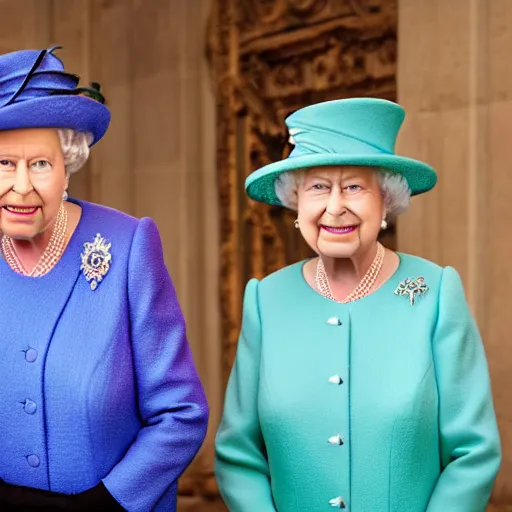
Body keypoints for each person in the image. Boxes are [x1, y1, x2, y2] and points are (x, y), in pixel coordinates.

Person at [215, 98, 501, 511]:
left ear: (386, 200)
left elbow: (473, 453)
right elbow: (237, 454)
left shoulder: (435, 293)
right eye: (317, 187)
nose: (335, 207)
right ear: (296, 203)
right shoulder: (266, 300)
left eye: (353, 187)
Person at [0, 46, 208, 511]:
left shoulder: (128, 244)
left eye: (40, 164)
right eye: (4, 164)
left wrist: (109, 504)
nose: (21, 186)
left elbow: (181, 414)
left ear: (68, 165)